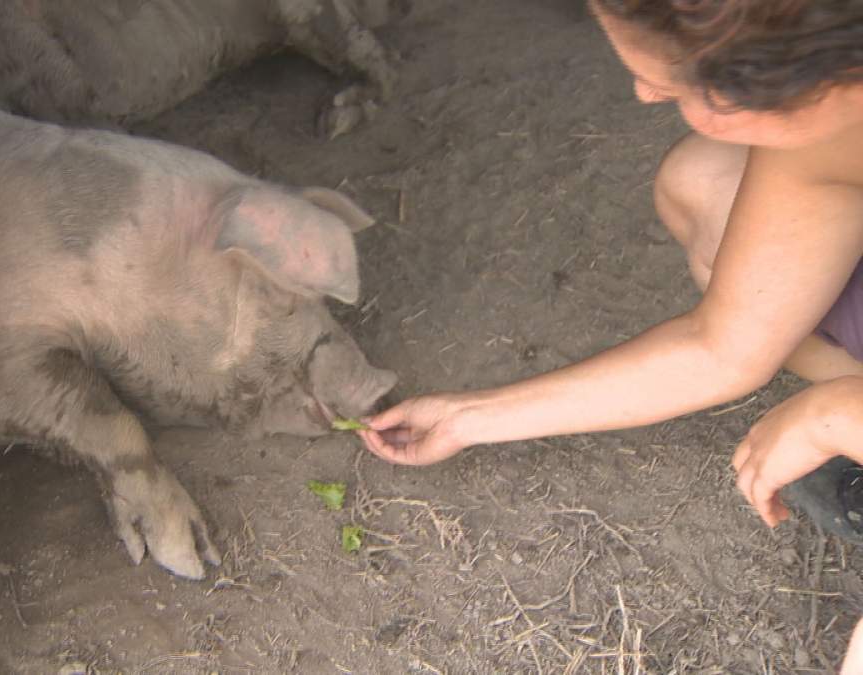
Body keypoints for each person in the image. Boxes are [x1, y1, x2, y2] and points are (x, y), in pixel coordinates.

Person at [357, 1, 863, 668]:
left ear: (796, 79)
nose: (643, 93)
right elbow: (723, 345)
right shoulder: (833, 121)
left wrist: (837, 415)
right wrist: (467, 417)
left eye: (680, 85)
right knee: (706, 182)